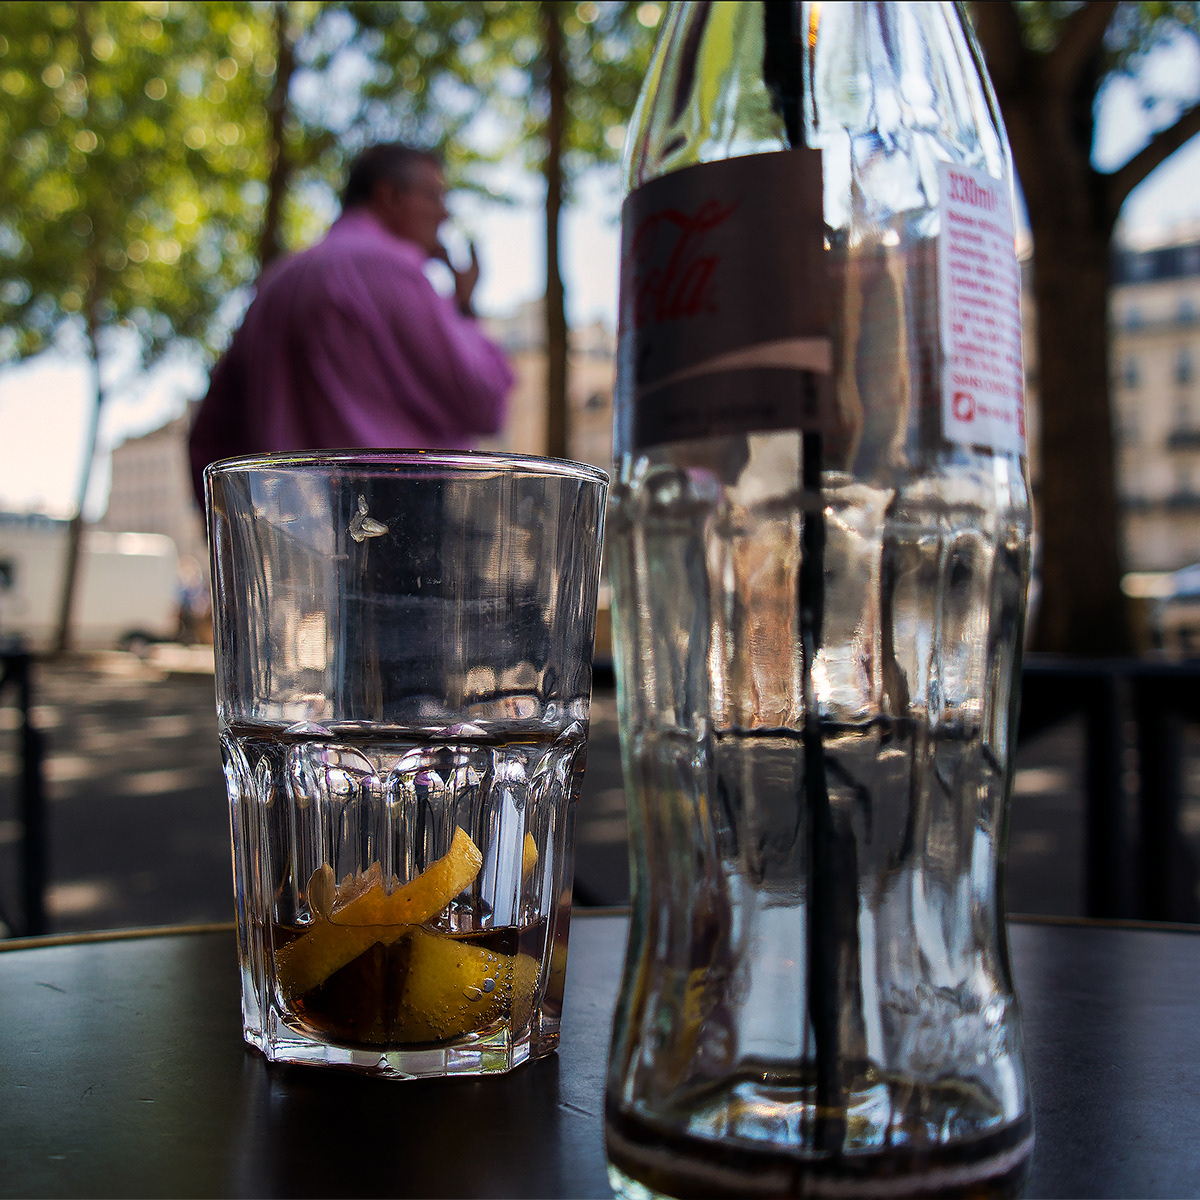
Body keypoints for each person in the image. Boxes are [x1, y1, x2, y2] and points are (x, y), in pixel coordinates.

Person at [189, 143, 513, 503]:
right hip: (395, 532)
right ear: (390, 195)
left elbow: (209, 436)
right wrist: (465, 306)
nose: (444, 214)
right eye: (434, 196)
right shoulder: (393, 270)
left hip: (289, 539)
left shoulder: (276, 281)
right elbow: (483, 403)